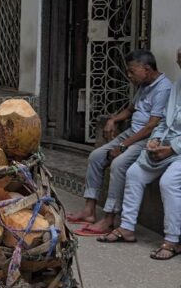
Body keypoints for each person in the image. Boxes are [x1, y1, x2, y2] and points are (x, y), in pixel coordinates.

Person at [67, 49, 172, 235]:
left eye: (132, 71)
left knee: (119, 164)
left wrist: (123, 146)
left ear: (147, 69)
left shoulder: (164, 88)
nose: (129, 75)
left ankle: (110, 218)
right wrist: (113, 119)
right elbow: (131, 109)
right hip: (132, 133)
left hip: (147, 138)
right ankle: (89, 210)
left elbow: (150, 126)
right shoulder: (144, 85)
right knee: (96, 156)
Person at [98, 47, 181, 258]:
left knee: (168, 182)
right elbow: (164, 122)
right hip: (166, 145)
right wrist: (155, 141)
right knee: (134, 173)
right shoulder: (178, 86)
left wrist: (172, 148)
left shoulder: (165, 87)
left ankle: (173, 240)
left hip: (177, 149)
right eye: (179, 61)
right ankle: (126, 228)